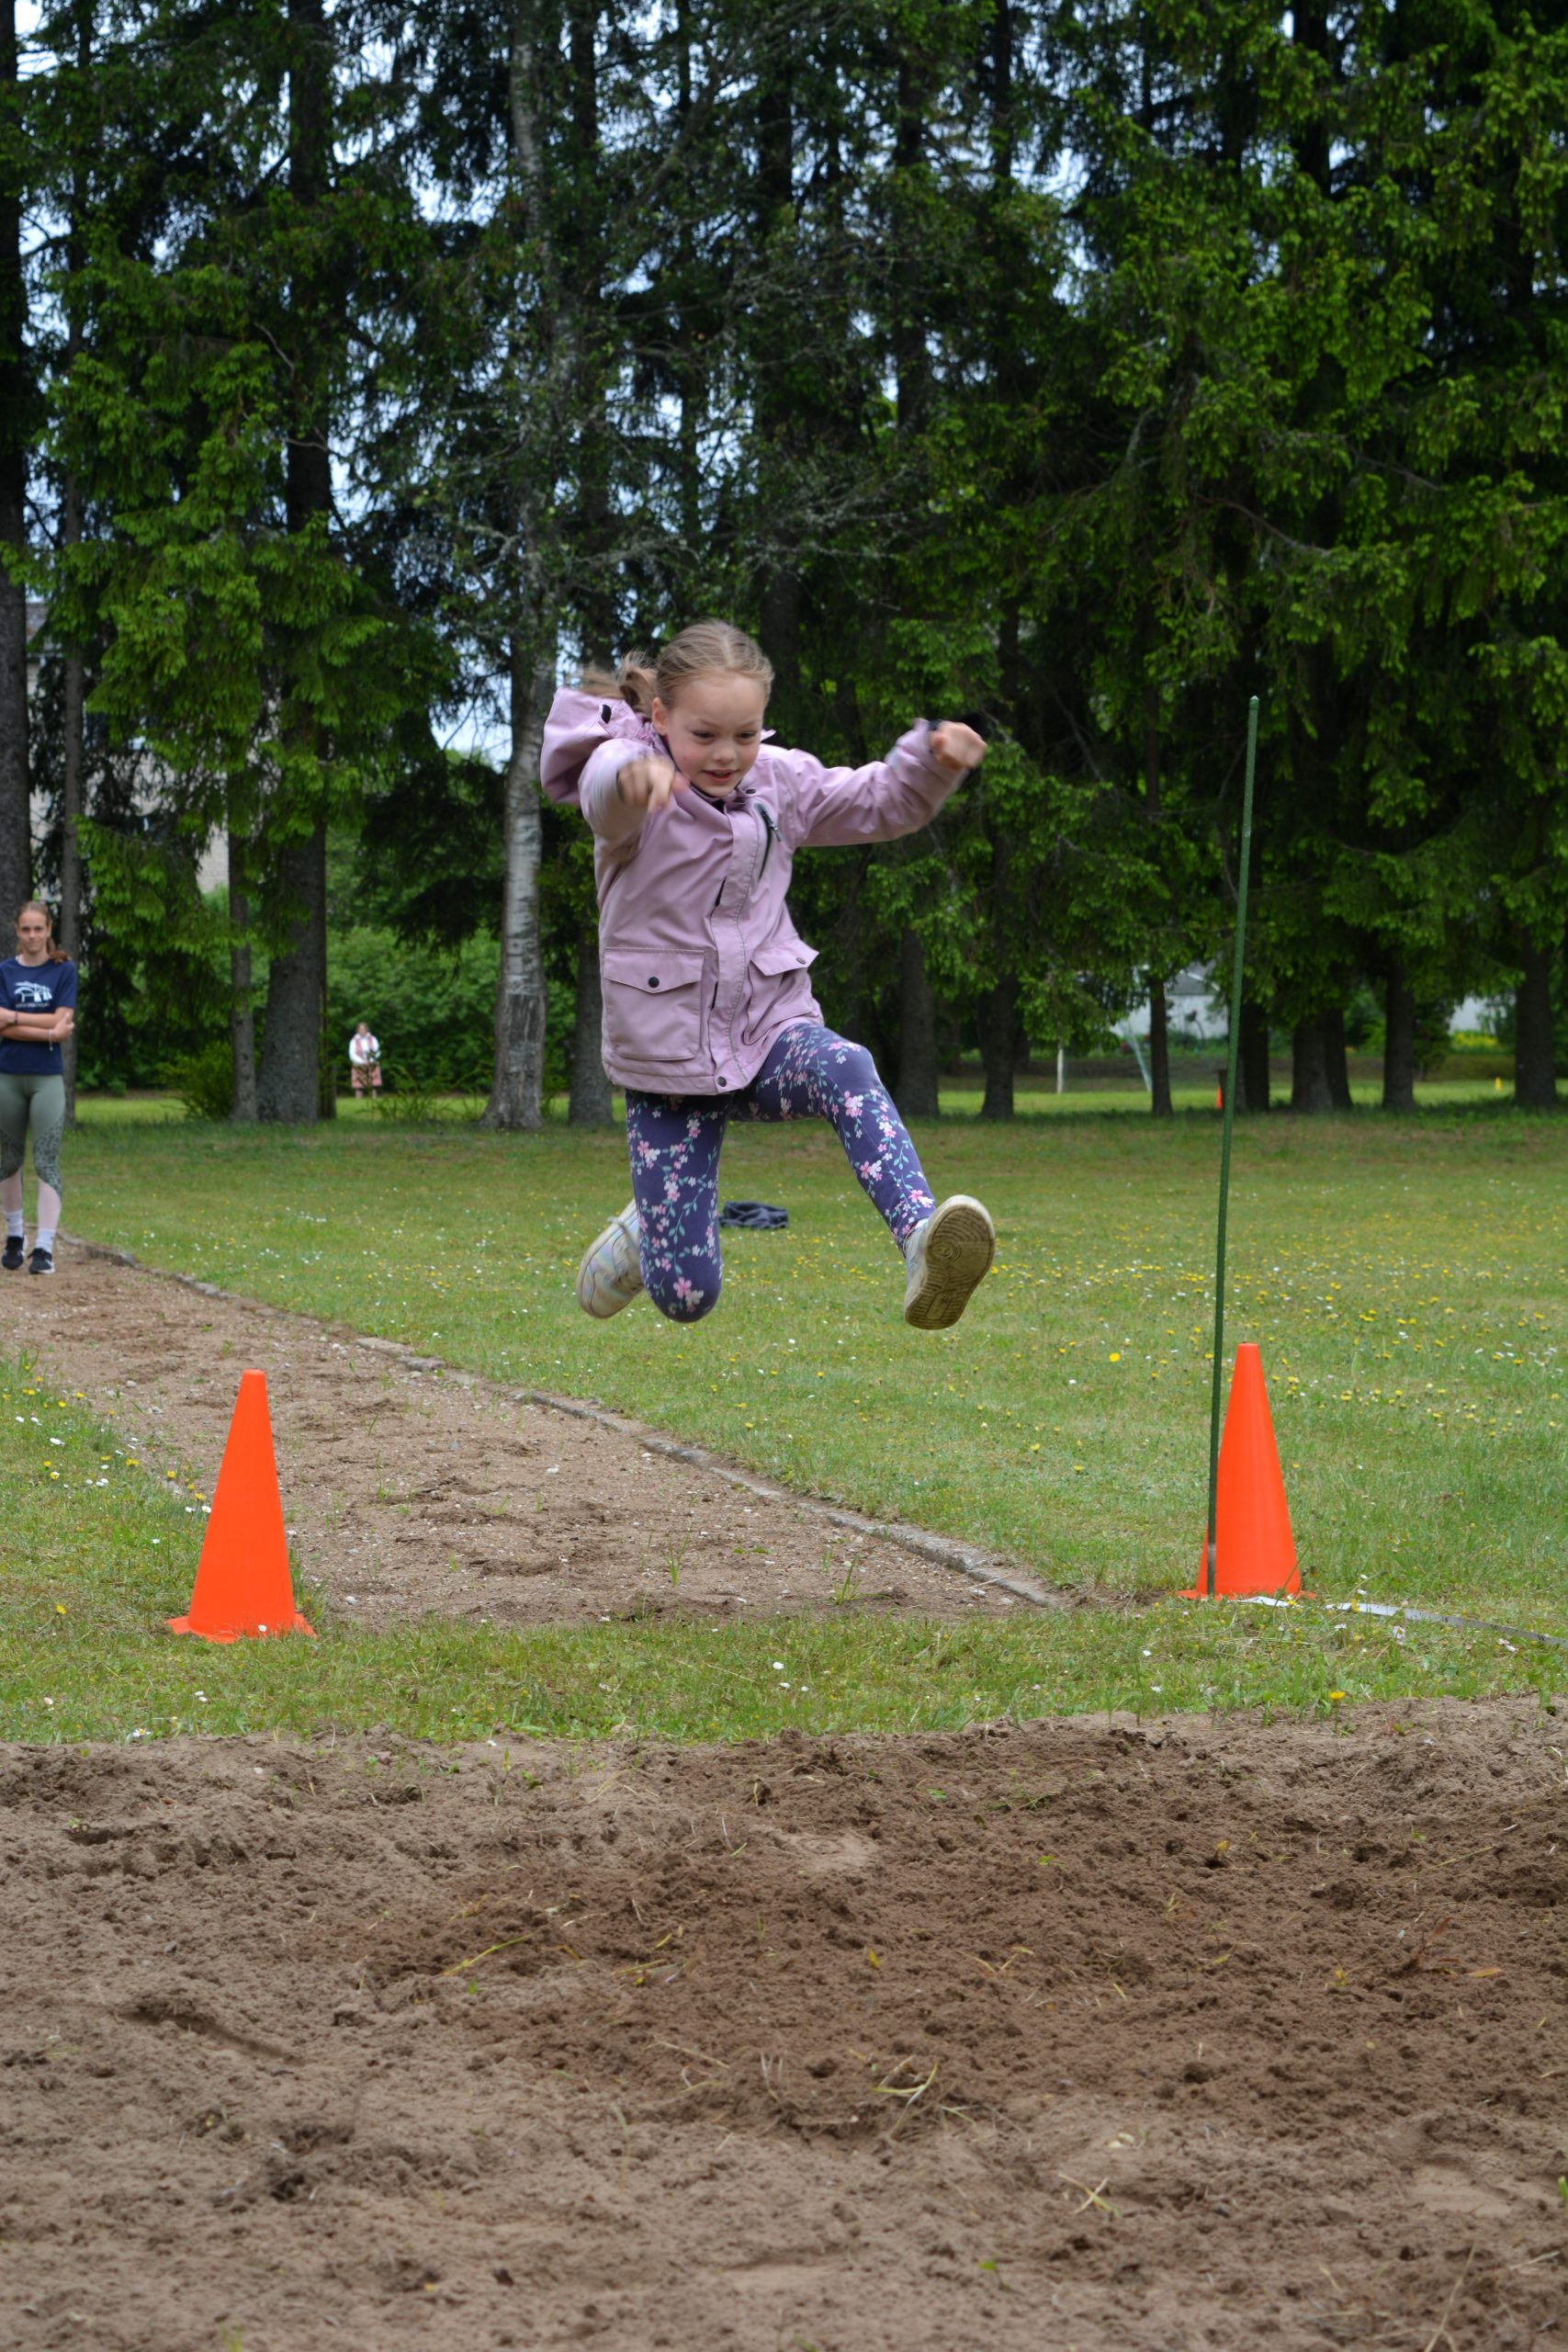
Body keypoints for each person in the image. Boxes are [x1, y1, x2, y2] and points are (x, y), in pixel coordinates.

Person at [541, 619, 996, 1331]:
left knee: (845, 1065)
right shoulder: (633, 772)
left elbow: (878, 800)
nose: (727, 755)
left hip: (765, 1032)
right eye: (704, 735)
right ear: (660, 716)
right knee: (686, 1298)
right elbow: (603, 794)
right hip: (668, 1062)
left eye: (746, 734)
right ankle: (646, 1230)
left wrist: (932, 763)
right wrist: (630, 782)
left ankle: (919, 1240)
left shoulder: (778, 781)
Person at [0, 900, 77, 1277]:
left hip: (47, 1078)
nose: (32, 936)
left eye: (38, 929)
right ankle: (15, 1236)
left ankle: (44, 1247)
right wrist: (47, 1031)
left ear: (49, 930)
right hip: (7, 1075)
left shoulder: (64, 971)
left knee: (46, 1160)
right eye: (26, 929)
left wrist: (13, 1018)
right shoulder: (5, 971)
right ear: (17, 931)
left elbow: (64, 1019)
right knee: (7, 1159)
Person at [348, 1021, 383, 1097]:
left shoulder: (373, 1039)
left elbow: (377, 1051)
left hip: (372, 1063)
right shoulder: (353, 1041)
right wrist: (362, 1061)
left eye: (363, 1029)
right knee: (358, 1086)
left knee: (373, 1084)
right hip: (358, 1064)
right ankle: (358, 1101)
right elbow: (352, 1054)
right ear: (357, 1030)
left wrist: (370, 1060)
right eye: (360, 1029)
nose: (362, 1031)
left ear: (367, 1030)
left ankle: (374, 1099)